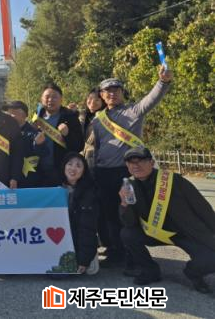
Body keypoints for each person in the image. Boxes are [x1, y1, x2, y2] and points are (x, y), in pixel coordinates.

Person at [93, 67, 172, 267]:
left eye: (116, 90)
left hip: (125, 174)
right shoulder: (98, 120)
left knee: (128, 215)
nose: (112, 93)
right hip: (103, 173)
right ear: (102, 95)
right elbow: (98, 146)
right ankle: (115, 251)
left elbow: (151, 99)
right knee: (109, 215)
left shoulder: (133, 111)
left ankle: (132, 255)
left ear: (122, 92)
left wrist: (162, 82)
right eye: (107, 91)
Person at [119, 147, 215, 292]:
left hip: (184, 233)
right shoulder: (129, 186)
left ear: (152, 162)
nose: (136, 165)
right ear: (127, 166)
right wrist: (124, 204)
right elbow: (129, 222)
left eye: (141, 161)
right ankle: (150, 270)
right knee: (127, 234)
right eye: (131, 162)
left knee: (211, 258)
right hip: (154, 233)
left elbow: (202, 207)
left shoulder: (173, 180)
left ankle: (193, 272)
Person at [33, 83, 84, 186]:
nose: (50, 100)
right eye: (47, 97)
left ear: (61, 99)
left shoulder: (70, 117)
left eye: (54, 97)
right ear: (41, 99)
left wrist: (67, 135)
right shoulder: (36, 119)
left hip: (62, 172)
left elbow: (79, 146)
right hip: (39, 172)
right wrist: (37, 144)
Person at [61, 153, 99, 275]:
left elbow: (87, 228)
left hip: (79, 237)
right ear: (64, 166)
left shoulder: (89, 193)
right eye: (70, 164)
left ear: (84, 171)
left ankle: (89, 257)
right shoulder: (54, 188)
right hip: (60, 236)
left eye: (78, 166)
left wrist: (84, 260)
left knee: (84, 270)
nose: (73, 168)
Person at [2, 101, 47, 188]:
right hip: (6, 179)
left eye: (13, 113)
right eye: (8, 113)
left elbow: (43, 153)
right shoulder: (3, 131)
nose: (10, 116)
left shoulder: (33, 133)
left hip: (27, 181)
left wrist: (39, 145)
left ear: (24, 115)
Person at [79, 89, 105, 168]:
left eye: (97, 100)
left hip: (96, 161)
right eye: (90, 98)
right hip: (79, 159)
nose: (92, 102)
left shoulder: (106, 118)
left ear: (103, 102)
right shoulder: (82, 114)